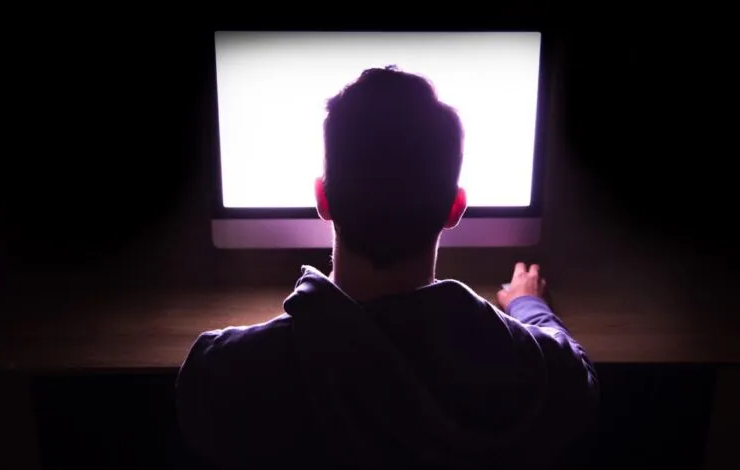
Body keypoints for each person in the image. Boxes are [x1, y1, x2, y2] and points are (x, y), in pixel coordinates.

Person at [176, 66, 599, 469]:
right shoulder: (523, 368)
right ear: (456, 208)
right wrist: (528, 305)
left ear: (323, 200)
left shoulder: (221, 372)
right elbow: (579, 377)